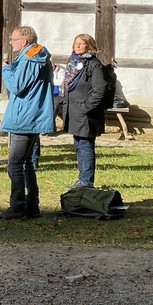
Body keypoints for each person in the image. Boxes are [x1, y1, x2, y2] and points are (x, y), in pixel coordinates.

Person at [0, 25, 55, 220]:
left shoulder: (30, 58)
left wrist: (5, 70)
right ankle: (32, 204)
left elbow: (17, 86)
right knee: (27, 162)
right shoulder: (35, 56)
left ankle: (18, 206)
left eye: (13, 39)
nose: (11, 42)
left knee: (14, 163)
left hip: (24, 116)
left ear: (25, 41)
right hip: (31, 114)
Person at [60, 33, 107, 189]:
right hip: (74, 112)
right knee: (79, 146)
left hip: (86, 114)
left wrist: (85, 107)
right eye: (76, 43)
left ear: (90, 46)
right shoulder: (73, 62)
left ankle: (86, 182)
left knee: (86, 146)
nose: (78, 46)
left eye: (81, 43)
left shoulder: (94, 65)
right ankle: (82, 179)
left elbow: (99, 90)